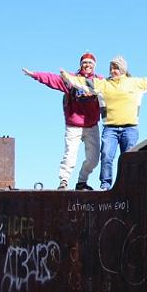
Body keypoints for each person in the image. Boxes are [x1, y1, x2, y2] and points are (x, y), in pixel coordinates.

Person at [60, 55, 147, 190]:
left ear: (123, 70)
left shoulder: (135, 83)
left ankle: (129, 185)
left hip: (130, 128)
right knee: (106, 155)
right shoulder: (103, 84)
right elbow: (82, 82)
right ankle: (105, 184)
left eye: (116, 68)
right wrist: (67, 77)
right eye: (111, 68)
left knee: (128, 158)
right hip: (110, 128)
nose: (112, 71)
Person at [23, 52, 103, 190]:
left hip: (91, 125)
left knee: (94, 159)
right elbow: (52, 79)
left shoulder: (100, 82)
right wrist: (35, 75)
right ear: (81, 65)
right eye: (84, 62)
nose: (87, 65)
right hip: (74, 125)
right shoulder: (71, 80)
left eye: (90, 63)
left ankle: (82, 181)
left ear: (94, 66)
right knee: (70, 155)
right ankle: (64, 181)